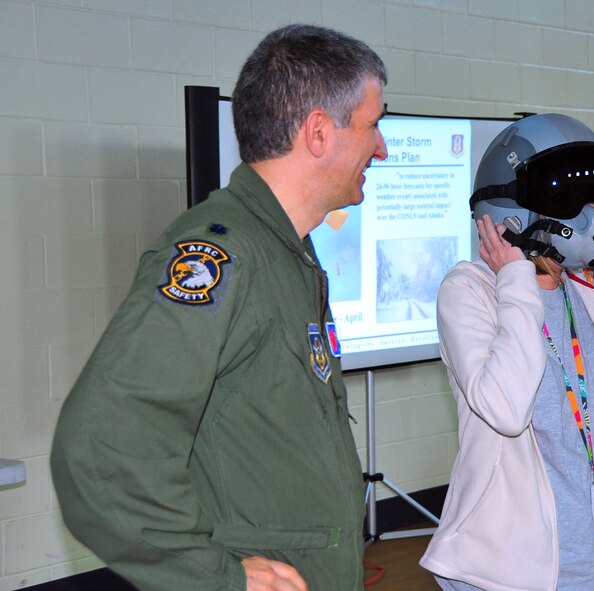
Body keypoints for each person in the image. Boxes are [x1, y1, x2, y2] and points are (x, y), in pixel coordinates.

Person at [50, 24, 388, 591]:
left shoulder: (287, 248)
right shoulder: (224, 256)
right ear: (319, 132)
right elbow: (98, 451)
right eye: (373, 124)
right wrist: (217, 579)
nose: (382, 147)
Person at [419, 114, 594, 590]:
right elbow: (505, 408)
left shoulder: (588, 292)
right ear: (508, 215)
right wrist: (517, 277)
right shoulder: (470, 291)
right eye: (566, 198)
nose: (585, 216)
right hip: (505, 573)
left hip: (590, 564)